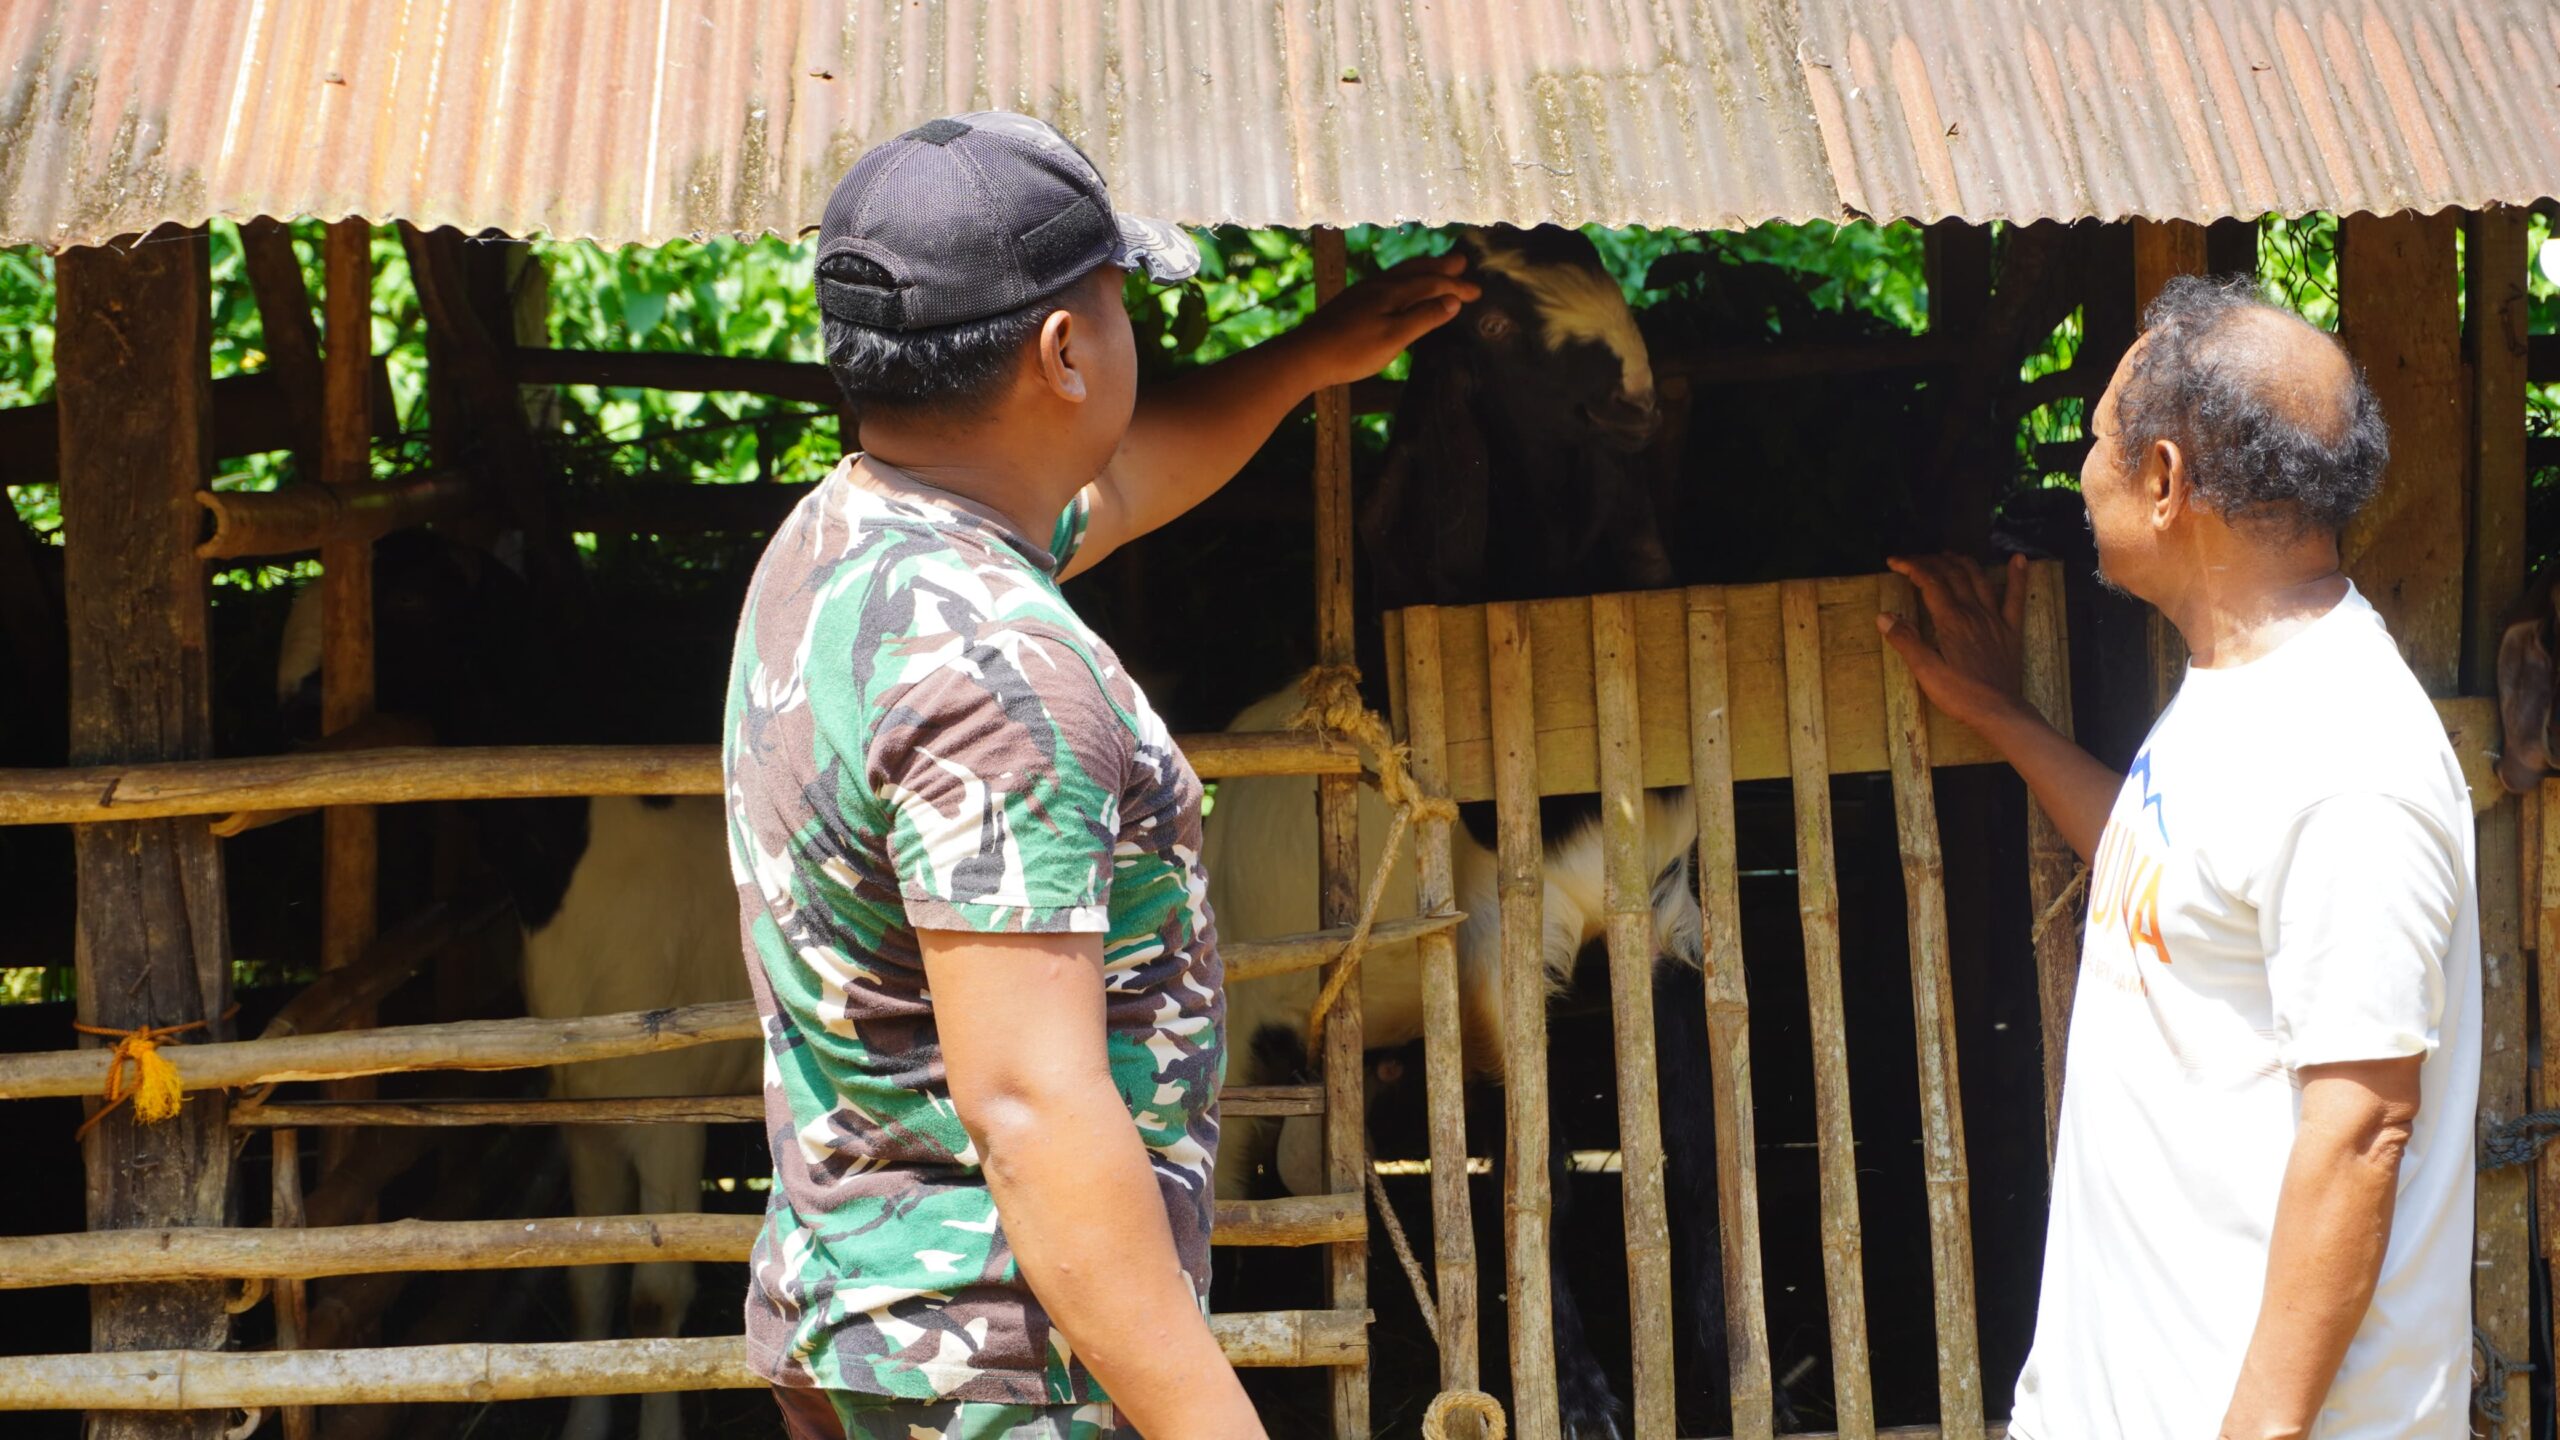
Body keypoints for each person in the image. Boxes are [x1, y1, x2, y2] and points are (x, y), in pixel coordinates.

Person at [721, 112, 1476, 1440]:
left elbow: (1114, 484)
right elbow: (1031, 1107)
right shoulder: (1002, 678)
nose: (1138, 339)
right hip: (1012, 1374)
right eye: (1124, 310)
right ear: (1064, 350)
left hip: (877, 1332)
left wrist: (1307, 361)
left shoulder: (848, 549)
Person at [1883, 274, 2479, 1439]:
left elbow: (2361, 1128)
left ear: (2163, 484)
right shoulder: (2239, 692)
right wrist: (2005, 718)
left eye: (2099, 440)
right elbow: (2175, 880)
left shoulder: (2349, 760)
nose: (2080, 468)